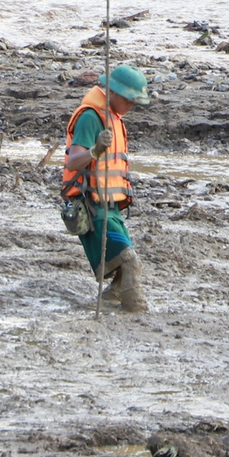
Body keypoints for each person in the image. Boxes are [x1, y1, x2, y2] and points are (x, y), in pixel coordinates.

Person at [62, 64, 152, 312]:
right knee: (129, 262)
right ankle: (136, 313)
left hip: (109, 205)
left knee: (125, 270)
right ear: (112, 92)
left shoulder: (113, 118)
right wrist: (95, 151)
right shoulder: (91, 118)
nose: (132, 106)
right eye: (129, 99)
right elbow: (73, 161)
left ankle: (110, 302)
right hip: (90, 205)